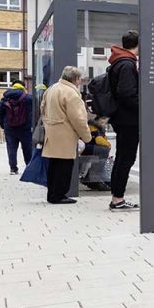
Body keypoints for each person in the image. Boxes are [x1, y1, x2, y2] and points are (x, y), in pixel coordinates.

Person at [40, 66, 91, 204]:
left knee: (54, 166)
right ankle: (59, 195)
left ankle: (52, 194)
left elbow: (42, 109)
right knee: (64, 166)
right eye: (79, 79)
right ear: (75, 79)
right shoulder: (71, 93)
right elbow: (78, 118)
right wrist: (86, 137)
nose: (80, 82)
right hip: (65, 135)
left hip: (52, 133)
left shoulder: (52, 89)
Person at [108, 30, 140, 210]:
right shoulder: (127, 64)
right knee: (126, 158)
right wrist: (144, 107)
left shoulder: (118, 62)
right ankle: (118, 199)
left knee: (122, 157)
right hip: (128, 120)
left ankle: (116, 197)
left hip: (121, 118)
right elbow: (127, 94)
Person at [0, 79, 33, 175]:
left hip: (9, 128)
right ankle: (28, 168)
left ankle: (13, 169)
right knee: (27, 148)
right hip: (25, 128)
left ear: (13, 86)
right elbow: (32, 113)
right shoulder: (28, 98)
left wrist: (3, 125)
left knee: (11, 148)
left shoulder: (5, 98)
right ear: (23, 86)